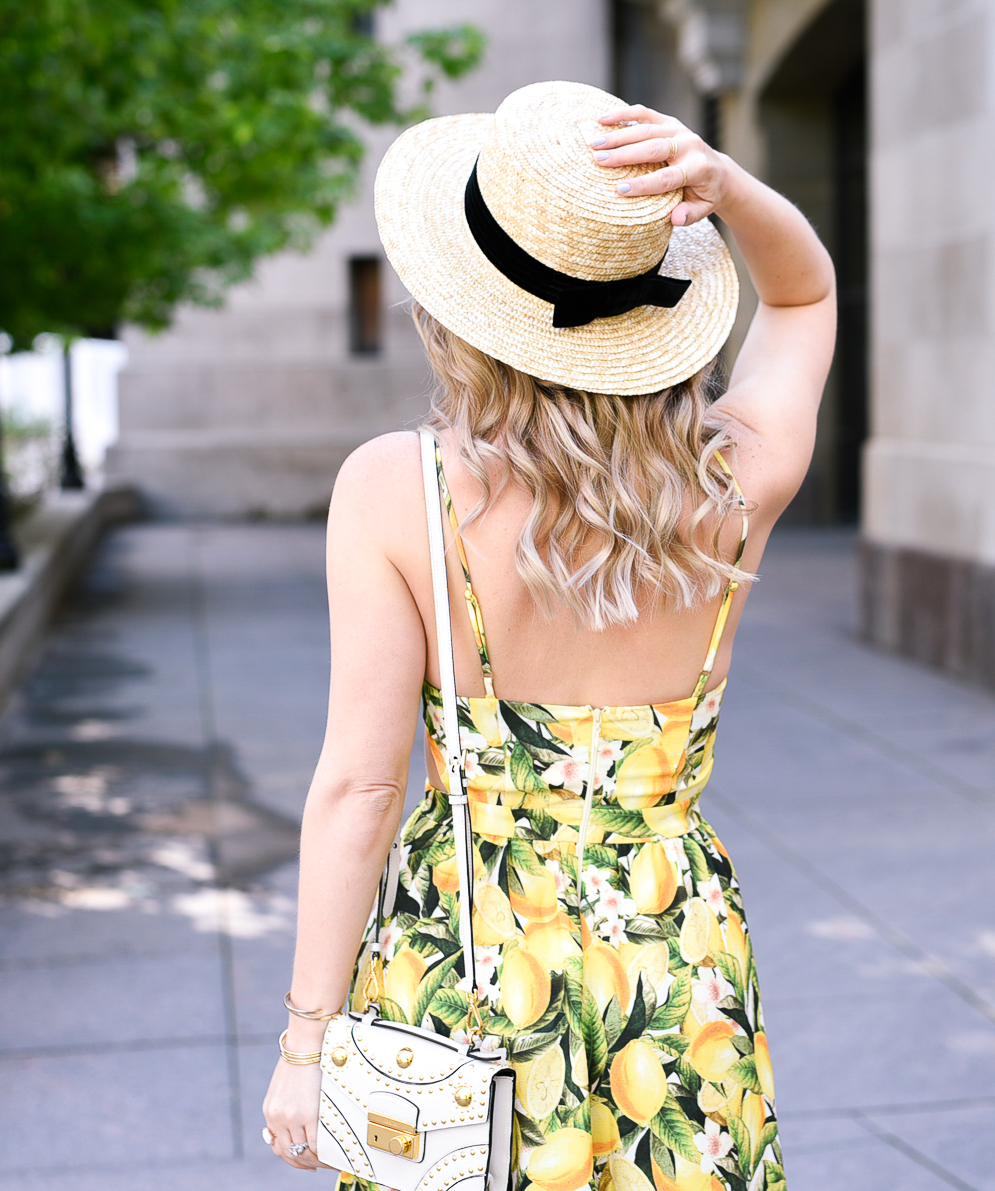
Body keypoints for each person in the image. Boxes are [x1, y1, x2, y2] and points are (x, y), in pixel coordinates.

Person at [262, 80, 834, 1191]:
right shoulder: (740, 474)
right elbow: (804, 298)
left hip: (465, 950)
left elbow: (360, 792)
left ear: (461, 311)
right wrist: (725, 185)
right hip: (674, 949)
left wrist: (305, 1040)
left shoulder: (400, 491)